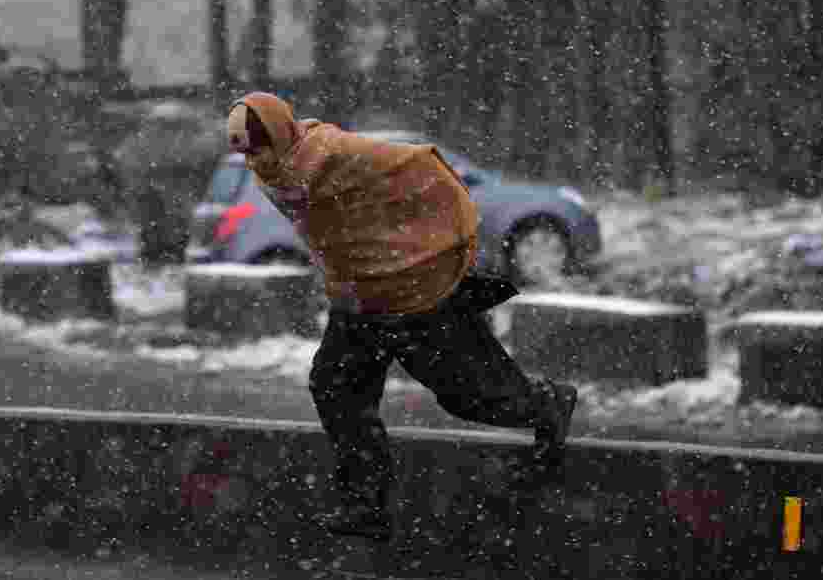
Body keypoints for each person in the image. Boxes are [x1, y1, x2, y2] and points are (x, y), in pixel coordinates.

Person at [226, 92, 578, 540]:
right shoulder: (272, 173)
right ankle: (365, 505)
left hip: (415, 292)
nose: (252, 160)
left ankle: (547, 403)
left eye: (257, 147)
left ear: (279, 133)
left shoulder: (336, 152)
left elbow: (421, 166)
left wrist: (449, 247)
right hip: (359, 298)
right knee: (337, 388)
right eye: (244, 152)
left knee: (471, 396)